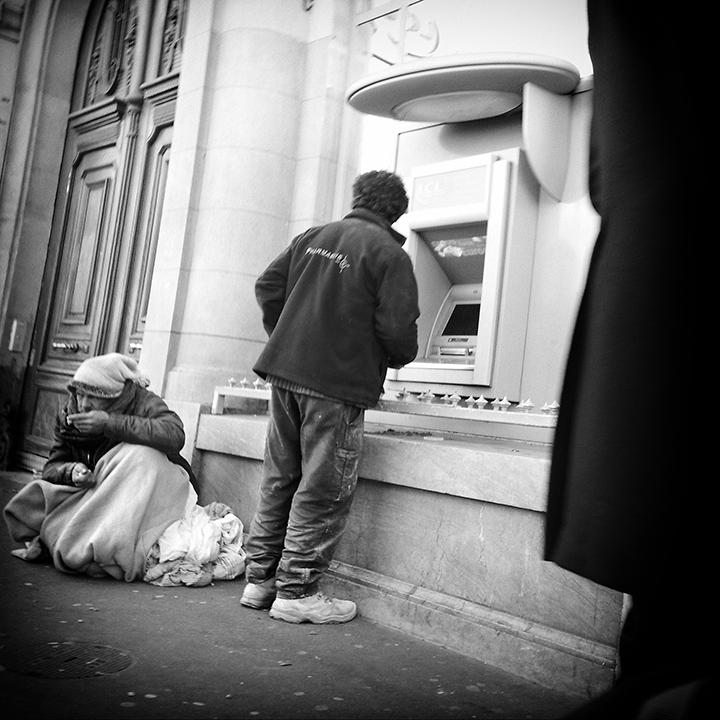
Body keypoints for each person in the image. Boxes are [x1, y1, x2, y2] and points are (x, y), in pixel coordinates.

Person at [544, 2, 711, 717]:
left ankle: (274, 582)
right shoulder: (383, 253)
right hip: (690, 325)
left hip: (661, 331)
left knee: (671, 620)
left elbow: (609, 174)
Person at [240, 170, 420, 624]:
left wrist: (293, 333)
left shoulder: (312, 236)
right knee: (323, 486)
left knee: (281, 478)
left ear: (358, 198)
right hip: (336, 383)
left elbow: (267, 286)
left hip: (285, 373)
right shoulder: (388, 254)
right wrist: (392, 356)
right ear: (397, 212)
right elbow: (397, 331)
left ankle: (260, 581)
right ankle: (297, 591)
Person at [4, 353, 245, 585]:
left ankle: (83, 543)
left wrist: (110, 424)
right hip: (98, 488)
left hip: (151, 487)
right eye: (80, 395)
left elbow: (174, 434)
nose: (84, 404)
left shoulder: (142, 401)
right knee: (39, 493)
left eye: (93, 397)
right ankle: (80, 539)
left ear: (112, 397)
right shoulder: (69, 415)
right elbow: (52, 467)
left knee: (140, 454)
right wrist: (72, 471)